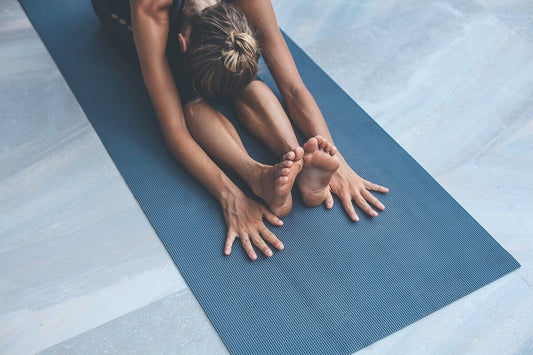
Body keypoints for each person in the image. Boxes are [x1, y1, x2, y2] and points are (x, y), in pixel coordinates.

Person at [91, 0, 388, 260]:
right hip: (120, 14)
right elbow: (174, 127)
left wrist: (335, 159)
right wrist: (230, 195)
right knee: (188, 97)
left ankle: (295, 157)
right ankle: (256, 175)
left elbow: (294, 88)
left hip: (203, 29)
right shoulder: (152, 9)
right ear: (183, 42)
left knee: (236, 70)